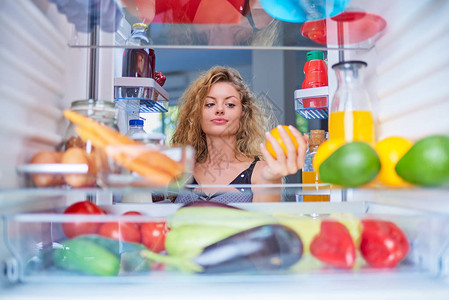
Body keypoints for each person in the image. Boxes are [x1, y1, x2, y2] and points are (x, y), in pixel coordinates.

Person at [171, 66, 308, 203]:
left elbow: (265, 221)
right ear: (197, 115)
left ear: (243, 115)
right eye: (210, 104)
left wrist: (271, 177)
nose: (219, 109)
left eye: (230, 104)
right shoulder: (184, 170)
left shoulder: (260, 171)